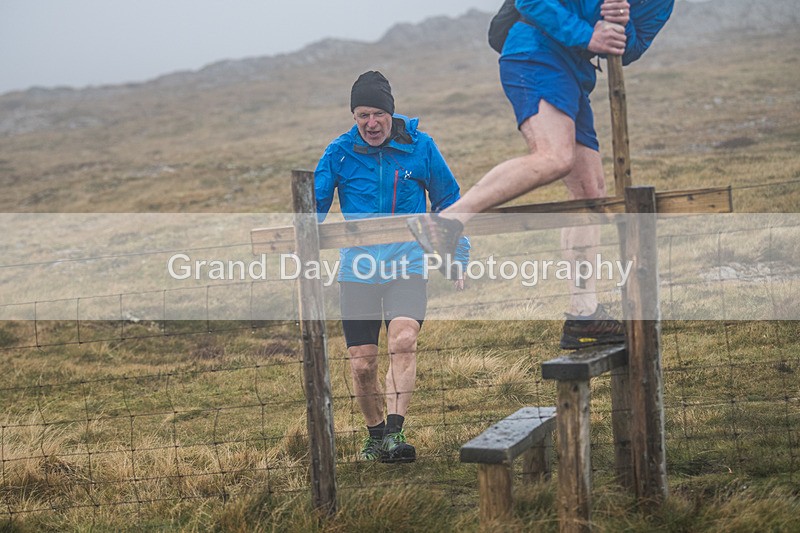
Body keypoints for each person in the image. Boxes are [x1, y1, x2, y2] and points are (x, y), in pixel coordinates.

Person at [408, 0, 674, 350]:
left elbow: (629, 50)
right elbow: (530, 2)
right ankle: (445, 222)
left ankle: (583, 312)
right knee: (554, 157)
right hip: (536, 53)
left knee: (589, 192)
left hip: (576, 73)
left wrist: (622, 27)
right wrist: (588, 33)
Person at [315, 71, 469, 463]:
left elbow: (448, 201)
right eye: (362, 115)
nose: (370, 123)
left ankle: (395, 435)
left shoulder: (421, 148)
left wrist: (457, 255)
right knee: (363, 364)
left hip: (407, 265)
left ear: (390, 113)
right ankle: (375, 435)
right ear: (354, 116)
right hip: (358, 271)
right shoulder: (339, 153)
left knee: (403, 341)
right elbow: (310, 209)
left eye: (377, 114)